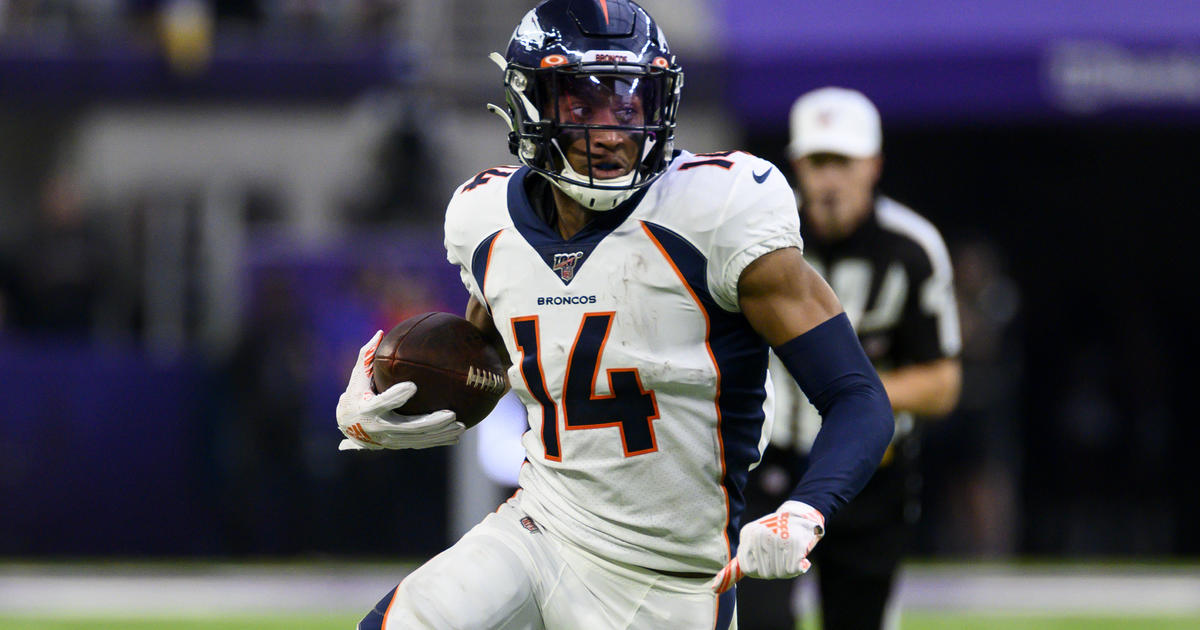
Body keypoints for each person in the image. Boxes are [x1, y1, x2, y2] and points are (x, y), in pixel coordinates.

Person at [334, 3, 894, 629]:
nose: (610, 132)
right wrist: (390, 398)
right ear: (530, 104)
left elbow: (858, 396)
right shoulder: (484, 218)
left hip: (670, 575)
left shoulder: (716, 211)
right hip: (540, 527)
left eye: (628, 107)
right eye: (582, 106)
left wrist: (807, 509)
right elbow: (493, 355)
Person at [738, 87, 963, 630]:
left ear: (874, 165)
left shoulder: (911, 248)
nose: (830, 179)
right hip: (769, 462)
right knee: (757, 621)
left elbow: (943, 383)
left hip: (871, 472)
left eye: (843, 161)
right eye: (819, 161)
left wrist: (854, 403)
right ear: (797, 165)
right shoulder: (756, 236)